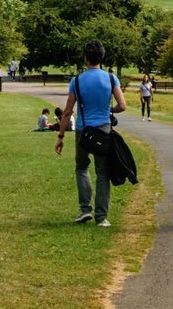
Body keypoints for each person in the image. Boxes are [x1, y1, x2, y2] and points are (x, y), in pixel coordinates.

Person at [55, 40, 127, 227]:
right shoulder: (111, 79)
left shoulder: (77, 81)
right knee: (103, 173)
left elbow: (68, 111)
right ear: (102, 57)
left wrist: (61, 136)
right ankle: (102, 217)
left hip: (83, 130)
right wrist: (109, 110)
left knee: (82, 168)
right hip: (104, 129)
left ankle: (85, 209)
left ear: (86, 58)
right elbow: (122, 105)